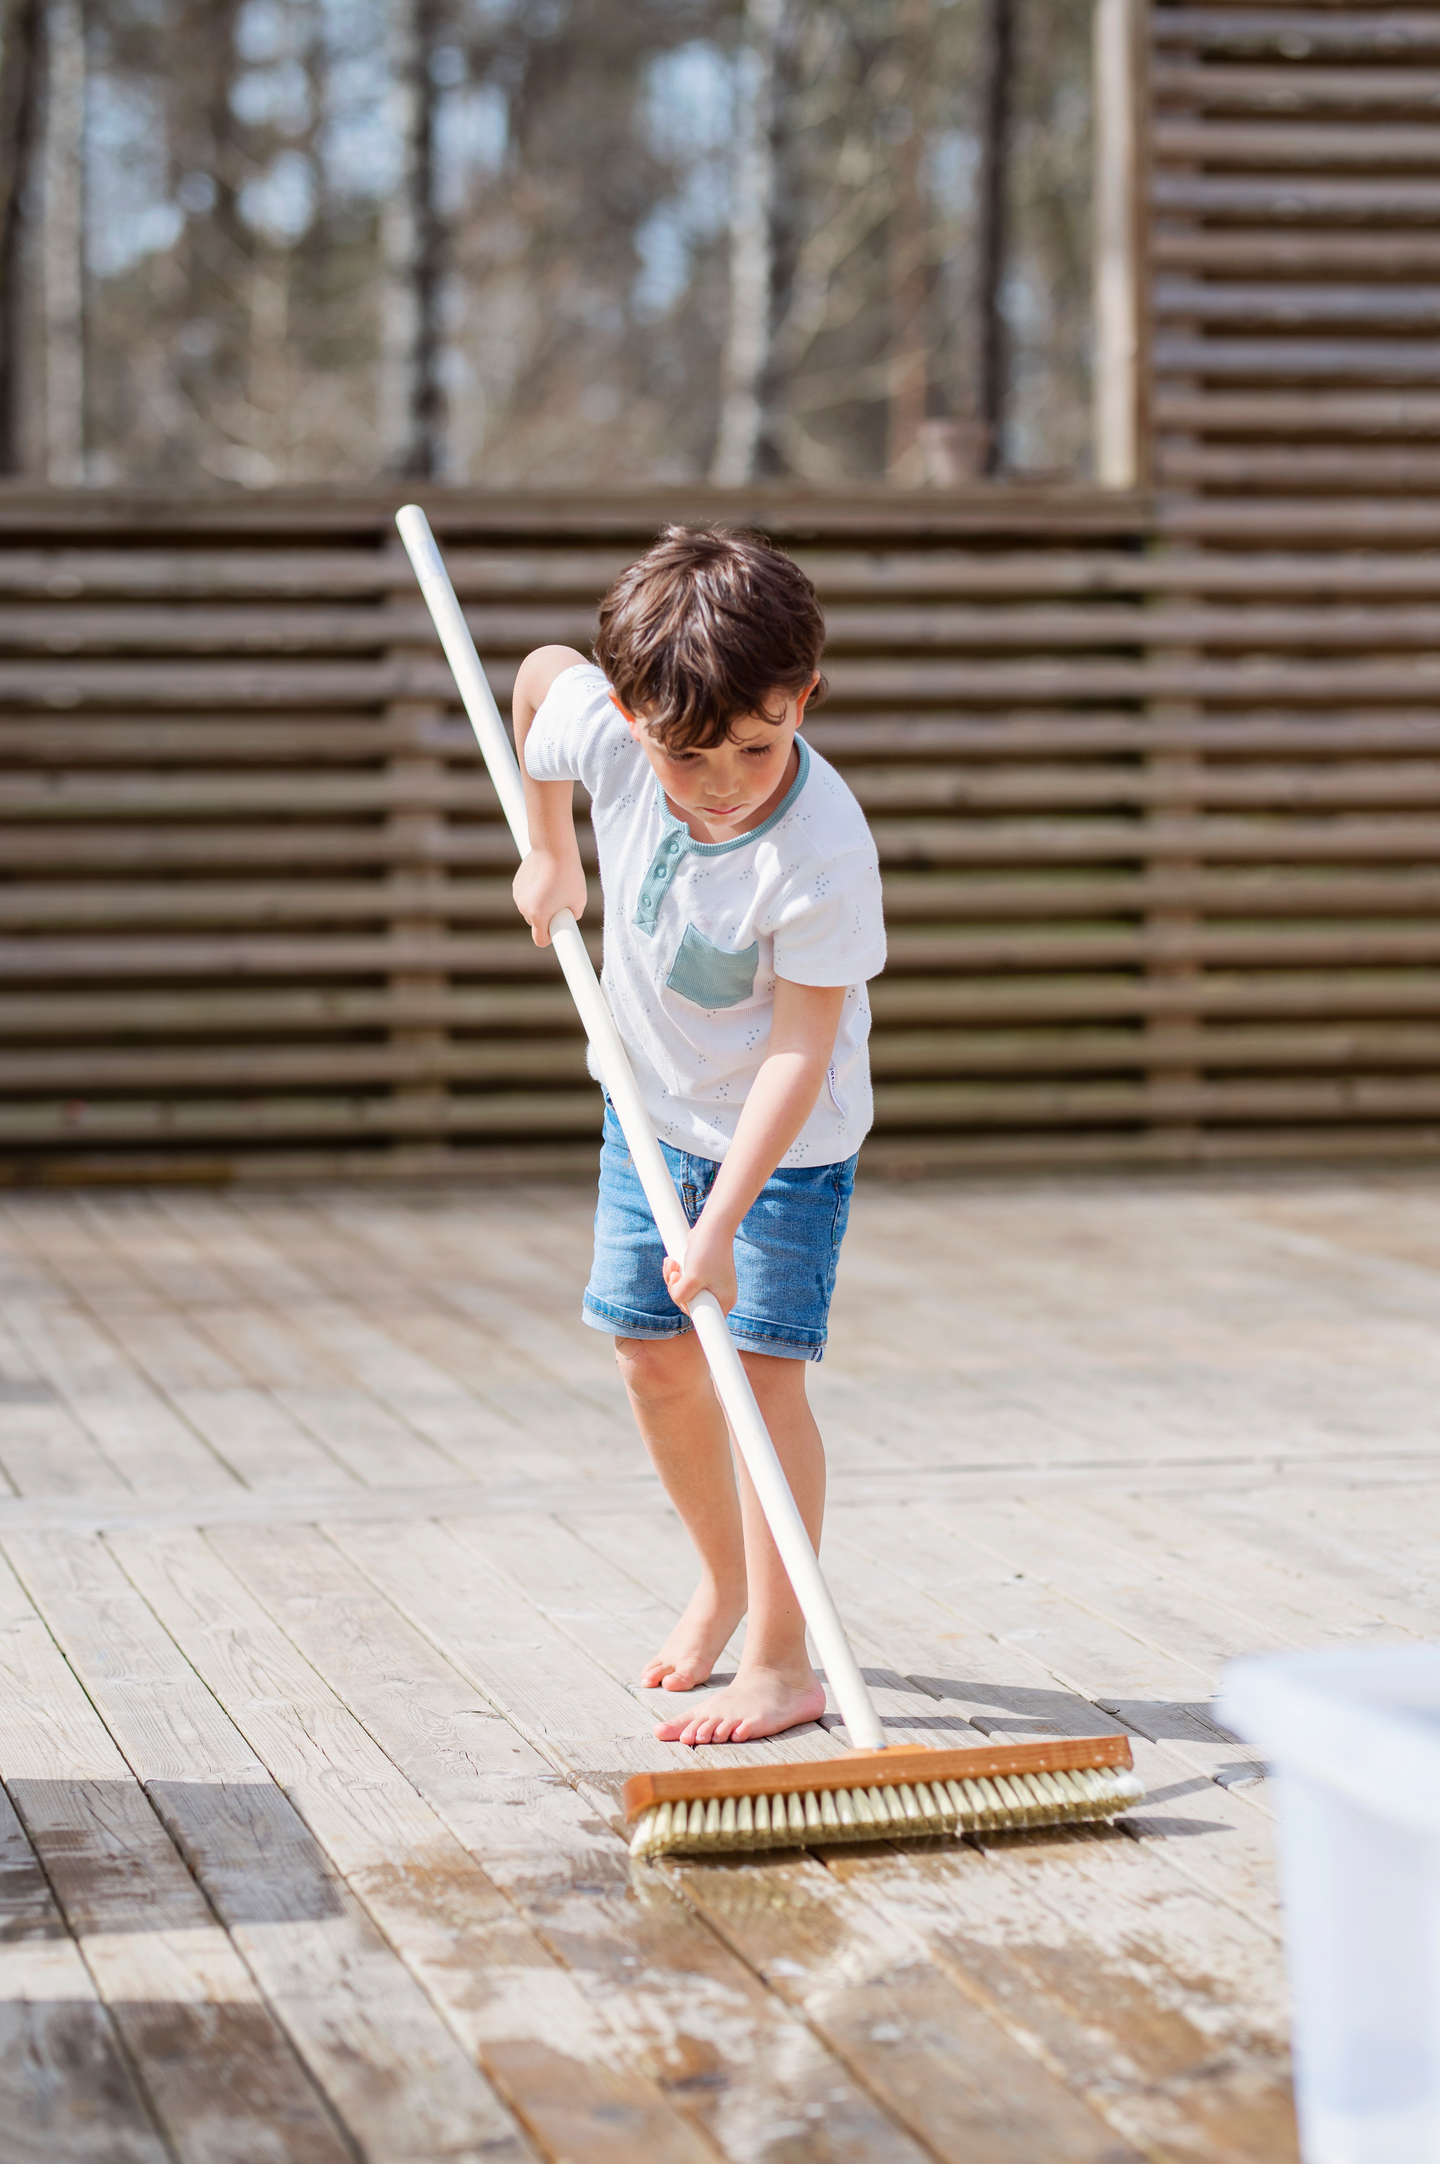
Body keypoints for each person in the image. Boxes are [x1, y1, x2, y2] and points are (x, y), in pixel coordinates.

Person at [511, 526, 886, 1746]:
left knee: (764, 1384)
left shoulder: (822, 849)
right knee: (651, 1354)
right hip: (648, 1101)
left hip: (782, 1143)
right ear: (630, 717)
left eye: (756, 746)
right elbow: (532, 676)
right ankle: (727, 1579)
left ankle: (785, 1658)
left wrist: (723, 1218)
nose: (723, 781)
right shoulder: (616, 731)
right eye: (686, 756)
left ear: (802, 698)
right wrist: (550, 849)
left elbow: (801, 1047)